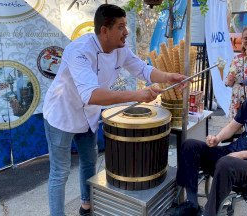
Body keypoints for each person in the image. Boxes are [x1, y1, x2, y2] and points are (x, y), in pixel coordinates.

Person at [43, 4, 187, 216]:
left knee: (89, 162)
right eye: (121, 27)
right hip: (62, 114)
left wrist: (167, 77)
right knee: (60, 172)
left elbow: (142, 69)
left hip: (88, 116)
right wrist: (136, 96)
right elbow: (91, 95)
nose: (126, 32)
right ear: (104, 30)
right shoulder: (80, 51)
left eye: (126, 26)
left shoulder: (121, 48)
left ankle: (87, 205)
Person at [166, 65, 247, 216]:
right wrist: (217, 138)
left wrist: (241, 155)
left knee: (226, 162)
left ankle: (209, 213)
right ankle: (192, 204)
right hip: (232, 154)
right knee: (189, 145)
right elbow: (233, 126)